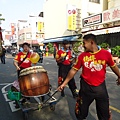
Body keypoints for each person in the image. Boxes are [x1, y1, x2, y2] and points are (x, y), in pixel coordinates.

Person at [57, 34, 120, 120]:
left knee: (104, 115)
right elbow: (73, 70)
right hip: (86, 89)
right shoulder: (82, 56)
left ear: (91, 42)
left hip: (100, 89)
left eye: (84, 43)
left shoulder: (106, 54)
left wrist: (119, 76)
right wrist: (64, 83)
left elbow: (114, 67)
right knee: (81, 113)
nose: (83, 45)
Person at [12, 42, 32, 108]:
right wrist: (17, 66)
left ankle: (27, 97)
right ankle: (21, 97)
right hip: (21, 70)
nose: (26, 48)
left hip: (28, 71)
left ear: (29, 48)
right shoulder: (19, 54)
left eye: (27, 47)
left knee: (29, 84)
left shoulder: (31, 54)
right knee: (21, 84)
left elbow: (34, 61)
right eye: (24, 47)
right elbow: (15, 61)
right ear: (22, 48)